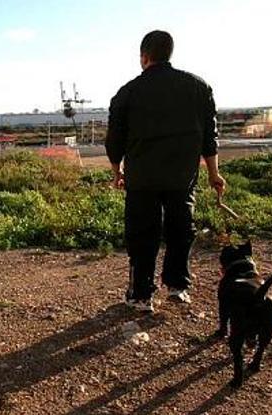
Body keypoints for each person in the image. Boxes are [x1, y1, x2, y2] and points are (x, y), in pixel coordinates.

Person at [105, 30, 227, 313]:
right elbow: (210, 136)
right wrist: (214, 173)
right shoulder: (198, 87)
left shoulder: (127, 91)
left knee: (142, 234)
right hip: (181, 176)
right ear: (169, 54)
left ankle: (140, 294)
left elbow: (114, 140)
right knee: (181, 230)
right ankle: (177, 286)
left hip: (142, 178)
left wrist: (116, 170)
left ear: (143, 57)